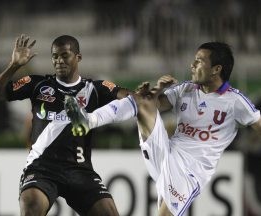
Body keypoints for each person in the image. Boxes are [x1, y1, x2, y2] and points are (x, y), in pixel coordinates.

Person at [64, 42, 261, 216]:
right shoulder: (187, 89)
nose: (192, 65)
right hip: (166, 150)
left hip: (190, 170)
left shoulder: (235, 101)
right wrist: (156, 90)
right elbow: (157, 104)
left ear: (216, 69)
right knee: (141, 101)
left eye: (199, 61)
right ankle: (87, 121)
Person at [0, 34, 130, 216]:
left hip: (80, 170)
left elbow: (129, 98)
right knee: (31, 205)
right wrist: (14, 65)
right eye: (55, 56)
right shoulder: (37, 84)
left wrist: (144, 95)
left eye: (64, 55)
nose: (59, 61)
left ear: (78, 57)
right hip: (41, 169)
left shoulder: (95, 88)